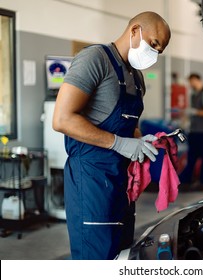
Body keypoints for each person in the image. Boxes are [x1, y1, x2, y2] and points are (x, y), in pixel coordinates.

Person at [52, 11, 171, 260]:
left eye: (160, 50)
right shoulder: (94, 59)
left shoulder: (137, 79)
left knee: (121, 255)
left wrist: (140, 140)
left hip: (121, 183)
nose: (155, 53)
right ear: (135, 30)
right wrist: (119, 143)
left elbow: (129, 127)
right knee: (96, 259)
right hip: (92, 180)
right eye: (154, 44)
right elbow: (62, 119)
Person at [179, 73, 203, 191]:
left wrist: (196, 112)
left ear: (196, 80)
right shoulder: (194, 94)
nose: (190, 85)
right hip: (194, 131)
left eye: (191, 82)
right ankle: (186, 181)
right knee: (191, 157)